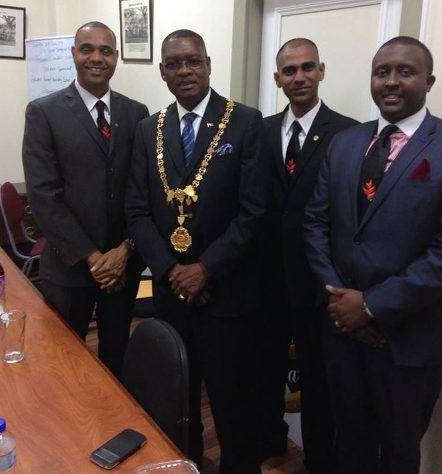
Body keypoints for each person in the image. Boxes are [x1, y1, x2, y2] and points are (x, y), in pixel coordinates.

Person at [126, 29, 267, 473]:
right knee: (175, 397)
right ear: (163, 71)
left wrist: (206, 268)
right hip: (172, 293)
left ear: (208, 64)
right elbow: (137, 210)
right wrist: (172, 271)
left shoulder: (246, 122)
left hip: (226, 293)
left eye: (192, 61)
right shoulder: (149, 129)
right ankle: (183, 462)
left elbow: (254, 210)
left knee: (231, 403)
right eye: (174, 63)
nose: (184, 71)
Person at [304, 36, 442, 474]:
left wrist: (370, 306)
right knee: (351, 442)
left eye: (405, 72)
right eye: (382, 72)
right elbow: (315, 224)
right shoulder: (346, 142)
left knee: (399, 451)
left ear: (430, 80)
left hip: (407, 340)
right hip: (343, 333)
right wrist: (342, 303)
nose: (391, 82)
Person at [22, 21, 149, 377]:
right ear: (74, 53)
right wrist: (95, 260)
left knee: (115, 359)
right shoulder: (43, 112)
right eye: (87, 49)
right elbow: (45, 197)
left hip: (122, 268)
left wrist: (124, 251)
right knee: (64, 363)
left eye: (105, 50)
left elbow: (141, 190)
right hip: (70, 267)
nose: (96, 58)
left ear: (116, 58)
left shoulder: (136, 113)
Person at [261, 38, 358, 472]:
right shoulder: (259, 131)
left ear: (321, 70)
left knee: (318, 379)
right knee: (264, 368)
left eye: (306, 68)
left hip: (319, 282)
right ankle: (269, 441)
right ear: (276, 78)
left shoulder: (350, 134)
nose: (297, 77)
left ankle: (319, 458)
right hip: (264, 281)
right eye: (288, 70)